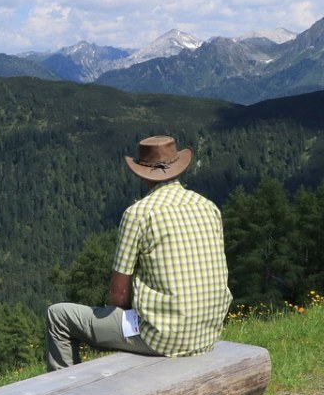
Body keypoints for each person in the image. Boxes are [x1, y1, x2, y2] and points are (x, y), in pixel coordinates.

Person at [46, 135, 232, 370]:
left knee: (58, 315)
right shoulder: (208, 207)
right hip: (207, 333)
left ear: (142, 174)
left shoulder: (138, 214)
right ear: (178, 167)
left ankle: (65, 393)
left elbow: (119, 295)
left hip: (161, 339)